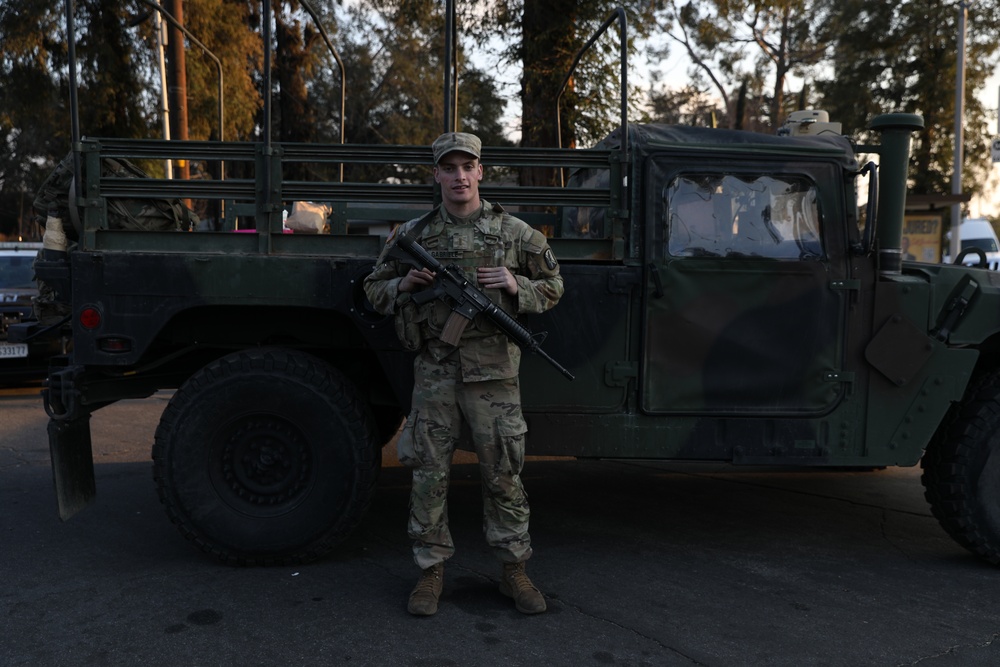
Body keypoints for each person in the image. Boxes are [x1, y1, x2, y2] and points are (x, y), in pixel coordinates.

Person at [363, 132, 564, 616]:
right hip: (435, 374)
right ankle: (430, 572)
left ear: (480, 171)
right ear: (436, 174)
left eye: (466, 166)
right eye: (448, 168)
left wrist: (518, 285)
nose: (458, 176)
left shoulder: (515, 233)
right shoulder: (414, 235)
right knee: (429, 476)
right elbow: (372, 289)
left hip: (495, 377)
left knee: (504, 475)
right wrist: (405, 286)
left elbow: (555, 285)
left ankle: (514, 569)